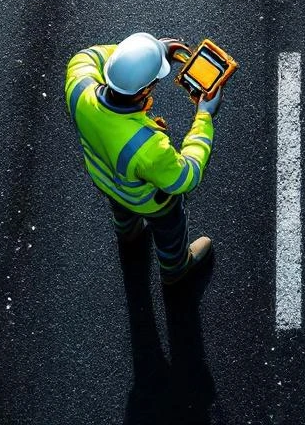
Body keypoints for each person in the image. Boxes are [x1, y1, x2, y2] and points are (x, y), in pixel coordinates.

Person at [64, 32, 222, 285]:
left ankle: (128, 232)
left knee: (122, 210)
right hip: (152, 203)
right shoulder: (148, 146)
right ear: (144, 92)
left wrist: (156, 51)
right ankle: (176, 268)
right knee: (170, 232)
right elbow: (186, 177)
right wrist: (204, 116)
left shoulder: (78, 86)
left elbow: (88, 56)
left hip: (106, 182)